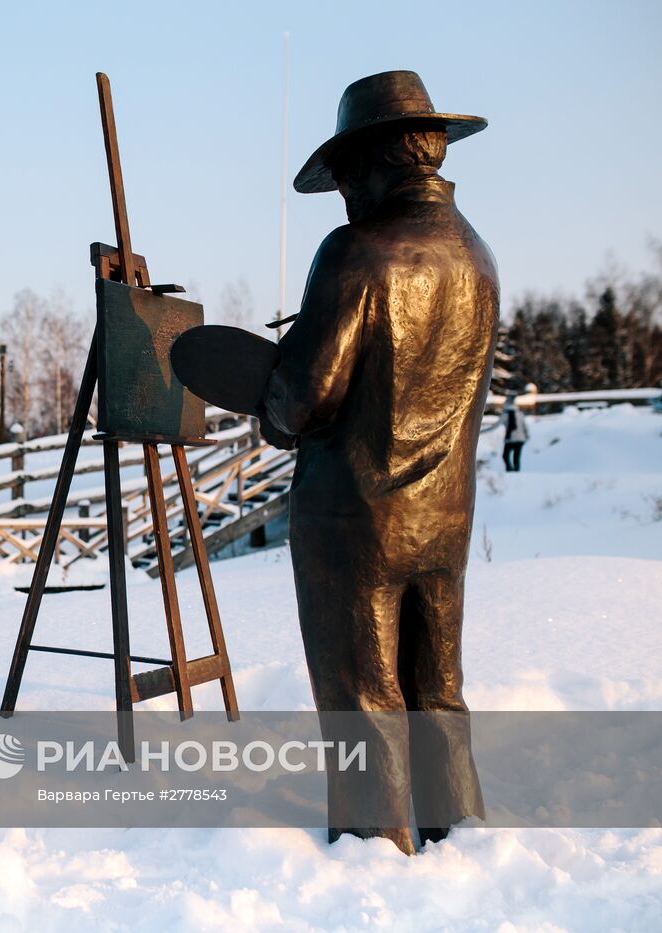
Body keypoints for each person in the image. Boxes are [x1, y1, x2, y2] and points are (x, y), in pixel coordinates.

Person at [256, 71, 496, 854]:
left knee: (364, 693)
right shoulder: (476, 255)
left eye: (346, 178)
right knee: (438, 688)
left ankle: (374, 846)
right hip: (445, 515)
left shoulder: (357, 251)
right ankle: (456, 829)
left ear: (374, 163)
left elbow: (306, 398)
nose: (343, 195)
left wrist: (268, 397)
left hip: (352, 519)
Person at [502, 395, 528, 471]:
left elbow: (495, 426)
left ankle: (509, 470)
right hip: (520, 439)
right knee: (516, 457)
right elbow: (525, 426)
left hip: (510, 439)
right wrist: (526, 436)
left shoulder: (505, 415)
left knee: (505, 456)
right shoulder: (520, 414)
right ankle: (516, 472)